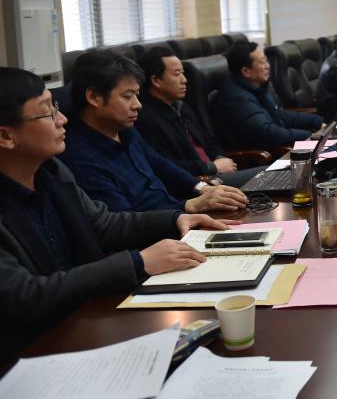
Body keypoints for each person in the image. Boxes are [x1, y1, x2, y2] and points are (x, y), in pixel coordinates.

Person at [0, 68, 227, 360]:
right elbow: (26, 296)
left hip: (87, 322)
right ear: (5, 135)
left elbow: (103, 224)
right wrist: (138, 262)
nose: (62, 119)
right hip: (32, 355)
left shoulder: (52, 171)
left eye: (56, 107)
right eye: (47, 113)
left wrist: (175, 218)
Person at [61, 51, 248, 214]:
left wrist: (201, 188)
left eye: (136, 95)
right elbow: (123, 221)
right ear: (94, 97)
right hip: (159, 234)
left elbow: (160, 164)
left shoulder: (125, 130)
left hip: (177, 214)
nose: (137, 105)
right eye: (127, 96)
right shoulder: (80, 158)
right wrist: (191, 205)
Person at [135, 47, 262, 188]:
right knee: (267, 174)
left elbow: (208, 140)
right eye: (177, 74)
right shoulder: (144, 119)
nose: (184, 80)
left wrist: (220, 158)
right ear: (156, 80)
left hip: (216, 174)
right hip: (197, 183)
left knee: (273, 174)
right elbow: (165, 165)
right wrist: (211, 167)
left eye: (183, 73)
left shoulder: (181, 106)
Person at [212, 41, 322, 150]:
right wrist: (309, 136)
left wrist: (317, 121)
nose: (268, 66)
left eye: (266, 60)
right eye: (262, 62)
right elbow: (267, 133)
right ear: (246, 71)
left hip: (277, 146)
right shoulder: (237, 99)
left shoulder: (258, 86)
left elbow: (280, 115)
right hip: (260, 156)